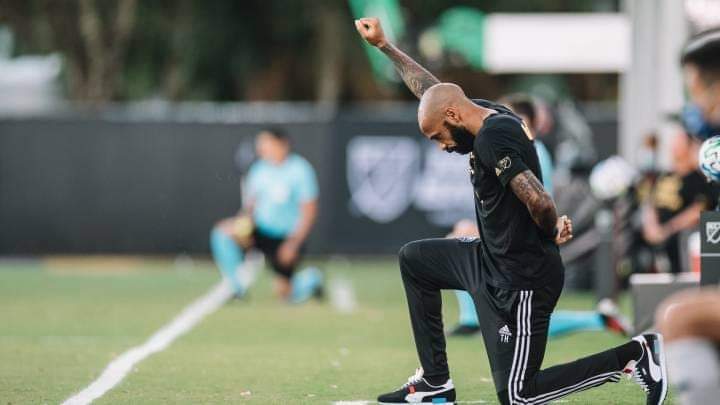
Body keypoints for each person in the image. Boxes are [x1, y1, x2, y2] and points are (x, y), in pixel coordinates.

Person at [355, 17, 667, 404]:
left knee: (518, 396)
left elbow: (539, 200)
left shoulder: (492, 138)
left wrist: (550, 229)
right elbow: (433, 91)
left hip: (521, 279)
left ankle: (635, 355)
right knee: (415, 260)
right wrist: (385, 46)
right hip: (488, 260)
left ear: (452, 117)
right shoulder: (481, 112)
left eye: (438, 137)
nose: (442, 146)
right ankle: (435, 382)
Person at [447, 219, 630, 339]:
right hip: (519, 260)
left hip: (525, 264)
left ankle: (600, 319)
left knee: (530, 324)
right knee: (528, 323)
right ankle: (599, 318)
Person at [210, 128, 322, 302]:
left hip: (285, 238)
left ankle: (312, 279)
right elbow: (250, 208)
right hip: (260, 231)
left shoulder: (300, 169)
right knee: (222, 233)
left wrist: (293, 244)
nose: (262, 148)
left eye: (267, 143)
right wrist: (243, 227)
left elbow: (309, 211)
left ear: (282, 144)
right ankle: (235, 288)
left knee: (286, 295)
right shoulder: (259, 170)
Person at [641, 129, 718, 273]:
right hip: (657, 237)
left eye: (679, 142)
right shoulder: (664, 176)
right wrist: (651, 228)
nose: (674, 146)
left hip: (681, 238)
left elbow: (698, 210)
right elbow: (651, 204)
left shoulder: (697, 178)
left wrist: (669, 229)